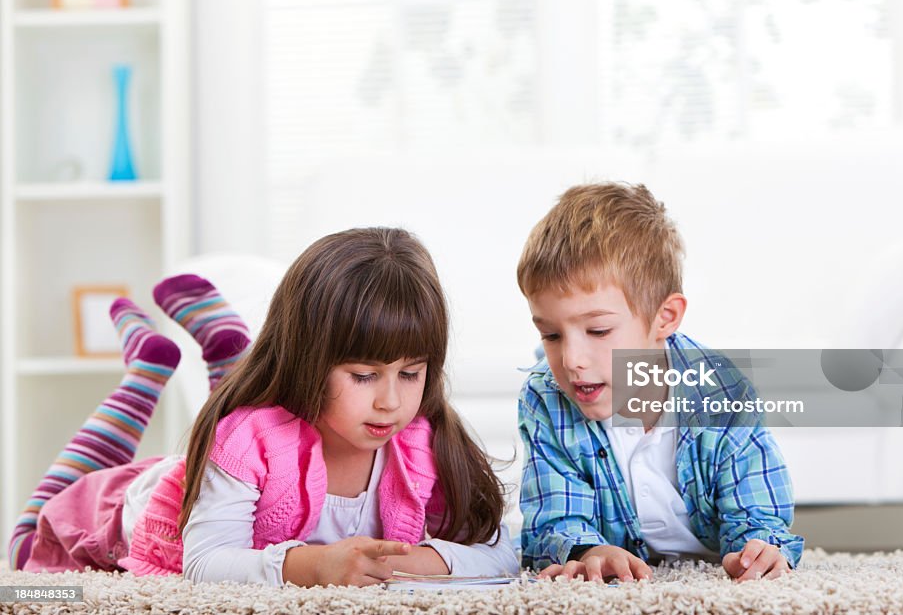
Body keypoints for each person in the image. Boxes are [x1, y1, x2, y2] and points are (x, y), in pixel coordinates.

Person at [9, 228, 518, 587]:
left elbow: (500, 548)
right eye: (364, 375)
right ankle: (145, 375)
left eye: (411, 373)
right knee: (28, 542)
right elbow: (205, 563)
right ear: (308, 359)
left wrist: (420, 563)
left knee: (241, 426)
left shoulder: (420, 441)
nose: (391, 401)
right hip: (118, 511)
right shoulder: (249, 439)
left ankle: (227, 362)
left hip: (226, 471)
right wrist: (309, 567)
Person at [516, 182, 803, 582]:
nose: (571, 360)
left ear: (664, 318)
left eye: (598, 331)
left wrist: (759, 549)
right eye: (551, 336)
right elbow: (555, 520)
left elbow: (758, 512)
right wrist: (588, 551)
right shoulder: (546, 399)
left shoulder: (723, 393)